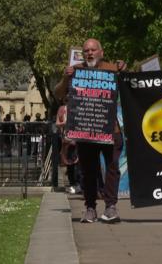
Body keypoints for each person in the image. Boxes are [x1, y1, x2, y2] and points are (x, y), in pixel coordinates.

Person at [55, 38, 126, 223]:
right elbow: (59, 94)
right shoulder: (75, 70)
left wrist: (126, 72)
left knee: (112, 169)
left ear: (101, 52)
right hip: (85, 130)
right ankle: (90, 208)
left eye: (93, 50)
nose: (90, 53)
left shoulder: (112, 69)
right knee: (88, 170)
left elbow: (131, 89)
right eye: (86, 50)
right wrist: (65, 77)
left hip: (111, 130)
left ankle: (110, 207)